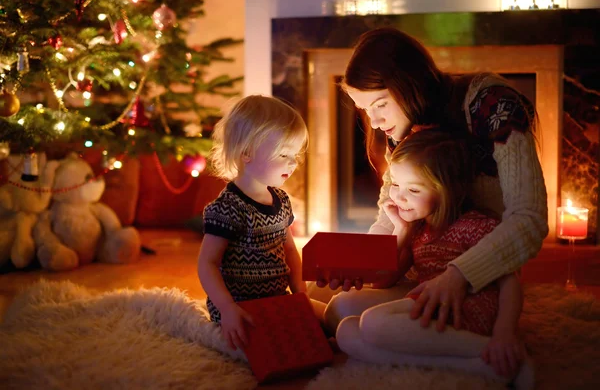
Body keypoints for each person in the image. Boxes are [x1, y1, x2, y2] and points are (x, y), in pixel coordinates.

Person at [320, 27, 548, 334]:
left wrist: (458, 276)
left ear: (407, 83)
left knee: (365, 325)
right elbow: (389, 217)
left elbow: (529, 220)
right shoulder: (403, 128)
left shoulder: (493, 105)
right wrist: (360, 265)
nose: (374, 122)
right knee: (339, 309)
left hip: (481, 279)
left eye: (379, 104)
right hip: (425, 273)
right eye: (365, 110)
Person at [335, 130, 533, 388]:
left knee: (372, 322)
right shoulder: (418, 230)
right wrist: (401, 232)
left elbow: (511, 282)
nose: (399, 197)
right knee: (346, 332)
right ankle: (479, 366)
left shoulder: (478, 225)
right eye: (395, 184)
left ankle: (503, 351)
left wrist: (504, 334)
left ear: (445, 190)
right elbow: (384, 281)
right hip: (428, 309)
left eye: (413, 189)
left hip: (464, 311)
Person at [197, 95, 324, 351]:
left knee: (327, 319)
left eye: (296, 155)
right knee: (273, 349)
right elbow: (207, 264)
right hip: (241, 307)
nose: (293, 162)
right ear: (246, 153)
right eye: (284, 154)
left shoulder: (281, 199)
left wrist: (300, 294)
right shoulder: (228, 208)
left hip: (278, 299)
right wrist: (228, 307)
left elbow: (289, 250)